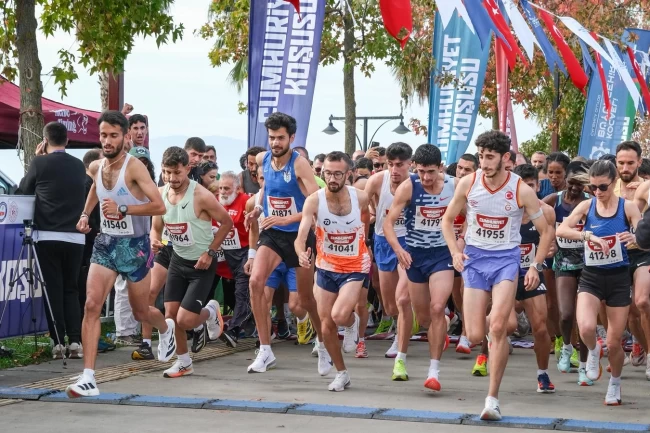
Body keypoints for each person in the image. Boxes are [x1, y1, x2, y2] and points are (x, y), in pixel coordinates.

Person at [441, 130, 552, 420]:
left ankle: (492, 400)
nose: (484, 162)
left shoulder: (521, 190)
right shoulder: (468, 183)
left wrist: (535, 266)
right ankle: (493, 321)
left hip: (506, 261)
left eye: (489, 157)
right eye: (481, 156)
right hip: (475, 260)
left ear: (505, 158)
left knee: (499, 327)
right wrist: (455, 251)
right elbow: (447, 220)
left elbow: (546, 231)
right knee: (476, 334)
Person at [67, 110, 173, 398]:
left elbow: (159, 206)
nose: (108, 140)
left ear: (126, 137)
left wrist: (123, 208)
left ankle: (165, 328)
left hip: (135, 246)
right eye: (103, 135)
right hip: (106, 243)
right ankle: (88, 377)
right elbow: (96, 189)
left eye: (114, 135)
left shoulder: (134, 167)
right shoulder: (96, 166)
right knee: (92, 305)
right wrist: (85, 214)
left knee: (141, 312)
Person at [243, 112, 324, 373]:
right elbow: (266, 190)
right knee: (255, 282)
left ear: (291, 137)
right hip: (273, 234)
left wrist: (287, 218)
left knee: (305, 300)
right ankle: (265, 350)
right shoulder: (262, 159)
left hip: (299, 236)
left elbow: (316, 203)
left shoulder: (300, 165)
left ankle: (323, 342)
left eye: (280, 138)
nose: (275, 143)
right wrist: (258, 209)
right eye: (271, 138)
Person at [557, 160, 641, 406]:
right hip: (592, 276)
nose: (597, 192)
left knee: (614, 342)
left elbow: (643, 237)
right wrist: (586, 235)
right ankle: (593, 351)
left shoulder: (628, 207)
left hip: (618, 277)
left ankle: (615, 383)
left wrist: (633, 238)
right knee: (585, 327)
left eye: (602, 187)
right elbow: (561, 231)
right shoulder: (587, 205)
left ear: (614, 183)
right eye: (593, 187)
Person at [151, 146, 231, 377]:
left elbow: (226, 223)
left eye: (177, 172)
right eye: (167, 172)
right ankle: (184, 362)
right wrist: (154, 239)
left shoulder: (201, 196)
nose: (172, 178)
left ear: (187, 168)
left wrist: (210, 253)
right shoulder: (160, 194)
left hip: (201, 264)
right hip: (177, 260)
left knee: (185, 320)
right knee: (171, 317)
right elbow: (156, 228)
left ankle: (210, 312)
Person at [295, 151, 371, 391]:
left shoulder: (361, 197)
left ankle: (351, 322)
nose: (332, 178)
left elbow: (366, 218)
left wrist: (364, 242)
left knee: (339, 315)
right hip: (326, 266)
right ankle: (341, 373)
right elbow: (300, 236)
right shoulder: (314, 201)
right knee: (326, 324)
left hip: (355, 266)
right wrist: (301, 253)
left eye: (338, 174)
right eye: (327, 173)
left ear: (349, 174)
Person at [385, 144, 457, 391]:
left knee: (437, 307)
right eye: (421, 171)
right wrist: (399, 249)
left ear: (441, 168)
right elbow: (388, 223)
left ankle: (433, 372)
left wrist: (461, 242)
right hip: (415, 256)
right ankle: (441, 326)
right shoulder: (409, 187)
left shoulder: (454, 186)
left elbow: (471, 213)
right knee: (425, 318)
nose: (425, 177)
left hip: (442, 255)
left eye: (431, 172)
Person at [18, 121, 87, 360]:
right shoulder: (79, 165)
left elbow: (23, 191)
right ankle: (76, 341)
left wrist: (37, 160)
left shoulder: (40, 163)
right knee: (71, 288)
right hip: (76, 237)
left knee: (52, 290)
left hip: (47, 235)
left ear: (45, 141)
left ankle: (58, 342)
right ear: (67, 140)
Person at [364, 142, 414, 371]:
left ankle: (400, 342)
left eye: (400, 165)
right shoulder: (377, 181)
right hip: (383, 241)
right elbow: (360, 207)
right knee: (390, 305)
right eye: (390, 164)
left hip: (408, 242)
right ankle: (401, 322)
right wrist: (362, 240)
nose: (394, 170)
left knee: (402, 298)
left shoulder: (416, 183)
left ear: (410, 164)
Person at [542, 162, 590, 383]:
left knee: (584, 318)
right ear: (566, 180)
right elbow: (534, 215)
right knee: (566, 314)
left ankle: (584, 366)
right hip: (563, 263)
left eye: (580, 184)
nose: (575, 187)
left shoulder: (591, 202)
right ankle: (567, 347)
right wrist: (548, 240)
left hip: (589, 264)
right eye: (572, 182)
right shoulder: (554, 200)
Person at [513, 164, 556, 393]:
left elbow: (552, 243)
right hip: (505, 274)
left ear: (538, 186)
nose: (527, 191)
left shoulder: (545, 211)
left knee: (540, 328)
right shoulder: (504, 209)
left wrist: (549, 251)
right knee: (502, 325)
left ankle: (542, 374)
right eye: (523, 186)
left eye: (531, 185)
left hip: (532, 272)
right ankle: (484, 355)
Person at [614, 141, 650, 374]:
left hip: (643, 253)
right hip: (618, 254)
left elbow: (636, 217)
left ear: (639, 162)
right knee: (631, 314)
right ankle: (643, 348)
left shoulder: (645, 187)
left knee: (642, 301)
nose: (625, 168)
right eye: (621, 163)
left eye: (630, 163)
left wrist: (640, 236)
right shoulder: (608, 187)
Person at [214, 171, 254, 345]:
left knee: (242, 291)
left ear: (237, 189)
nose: (223, 192)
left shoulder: (246, 202)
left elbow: (255, 229)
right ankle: (261, 327)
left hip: (244, 252)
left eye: (227, 189)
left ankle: (234, 330)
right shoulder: (215, 202)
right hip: (224, 256)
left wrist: (252, 254)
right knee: (232, 296)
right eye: (221, 188)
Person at [453, 153, 478, 354]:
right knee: (454, 293)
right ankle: (460, 320)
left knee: (464, 289)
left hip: (469, 247)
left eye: (467, 169)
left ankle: (466, 334)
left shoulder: (476, 190)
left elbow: (472, 217)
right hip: (445, 246)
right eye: (459, 168)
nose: (461, 172)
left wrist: (462, 237)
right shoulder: (448, 186)